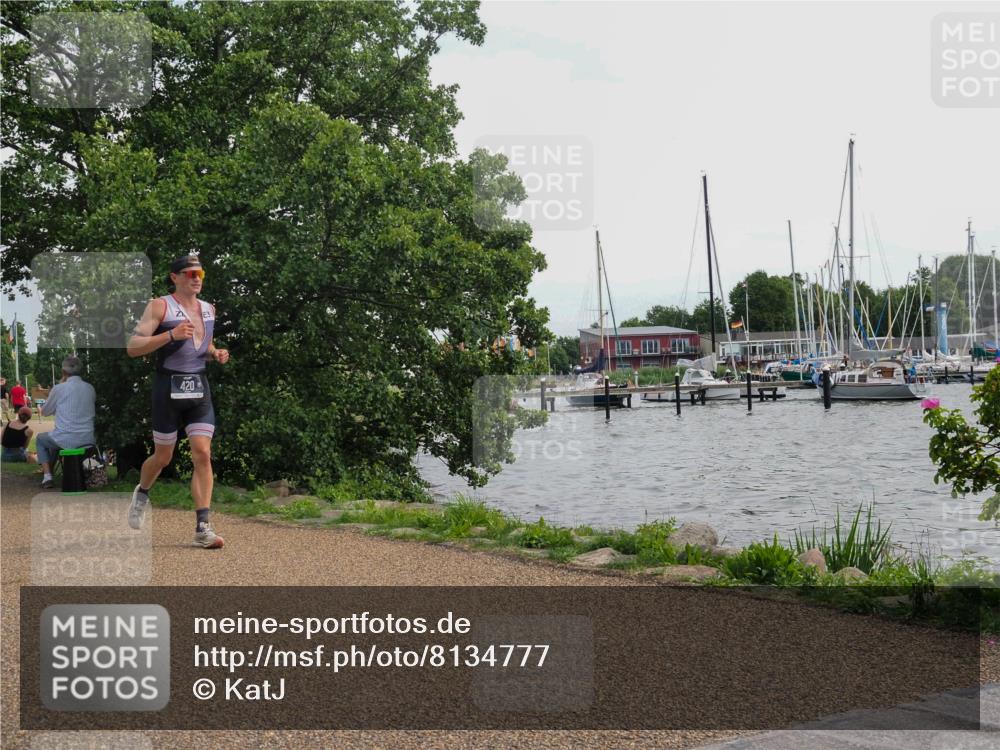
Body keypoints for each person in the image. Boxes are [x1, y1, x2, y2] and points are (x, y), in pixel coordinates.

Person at [126, 254, 229, 549]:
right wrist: (169, 334)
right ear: (175, 277)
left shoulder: (209, 310)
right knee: (163, 457)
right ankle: (143, 492)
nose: (196, 278)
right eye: (190, 273)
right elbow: (133, 347)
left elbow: (201, 345)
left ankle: (202, 526)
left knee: (202, 453)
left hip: (198, 388)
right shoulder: (160, 306)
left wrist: (216, 352)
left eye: (200, 274)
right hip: (167, 388)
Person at [36, 357, 97, 488]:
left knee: (41, 440)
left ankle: (47, 476)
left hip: (65, 438)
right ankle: (50, 473)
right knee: (55, 441)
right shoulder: (90, 388)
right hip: (88, 439)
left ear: (64, 371)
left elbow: (45, 412)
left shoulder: (59, 388)